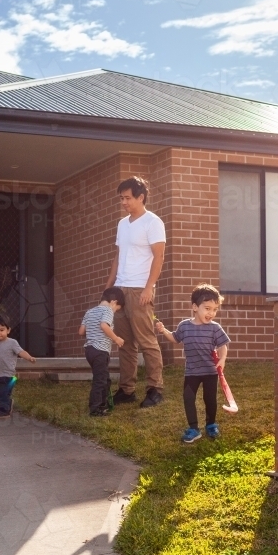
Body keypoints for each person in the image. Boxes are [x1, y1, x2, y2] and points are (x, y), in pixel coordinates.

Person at [105, 176, 166, 408]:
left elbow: (159, 257)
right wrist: (108, 287)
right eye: (121, 198)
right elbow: (118, 256)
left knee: (146, 340)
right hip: (119, 290)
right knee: (125, 343)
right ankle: (126, 390)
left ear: (141, 197)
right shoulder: (122, 224)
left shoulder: (153, 222)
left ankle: (155, 389)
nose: (124, 202)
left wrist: (149, 287)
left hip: (140, 288)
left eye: (128, 198)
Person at [155, 284, 230, 444]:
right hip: (192, 372)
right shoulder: (184, 326)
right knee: (188, 398)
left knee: (210, 399)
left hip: (210, 371)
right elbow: (175, 338)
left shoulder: (215, 328)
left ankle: (211, 425)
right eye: (207, 308)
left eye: (214, 309)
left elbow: (222, 345)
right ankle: (194, 429)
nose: (211, 313)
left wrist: (222, 359)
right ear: (195, 307)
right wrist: (163, 331)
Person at [78, 287, 126, 416]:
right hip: (100, 350)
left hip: (89, 350)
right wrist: (116, 338)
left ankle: (104, 403)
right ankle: (95, 408)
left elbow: (81, 331)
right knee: (100, 380)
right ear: (114, 302)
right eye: (117, 309)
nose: (115, 312)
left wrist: (93, 333)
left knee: (104, 378)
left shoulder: (89, 312)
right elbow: (104, 326)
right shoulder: (108, 310)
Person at [0, 316, 36, 419]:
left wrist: (29, 358)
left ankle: (4, 410)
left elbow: (21, 352)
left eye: (1, 330)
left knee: (2, 393)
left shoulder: (12, 343)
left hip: (7, 375)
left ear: (8, 330)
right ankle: (8, 402)